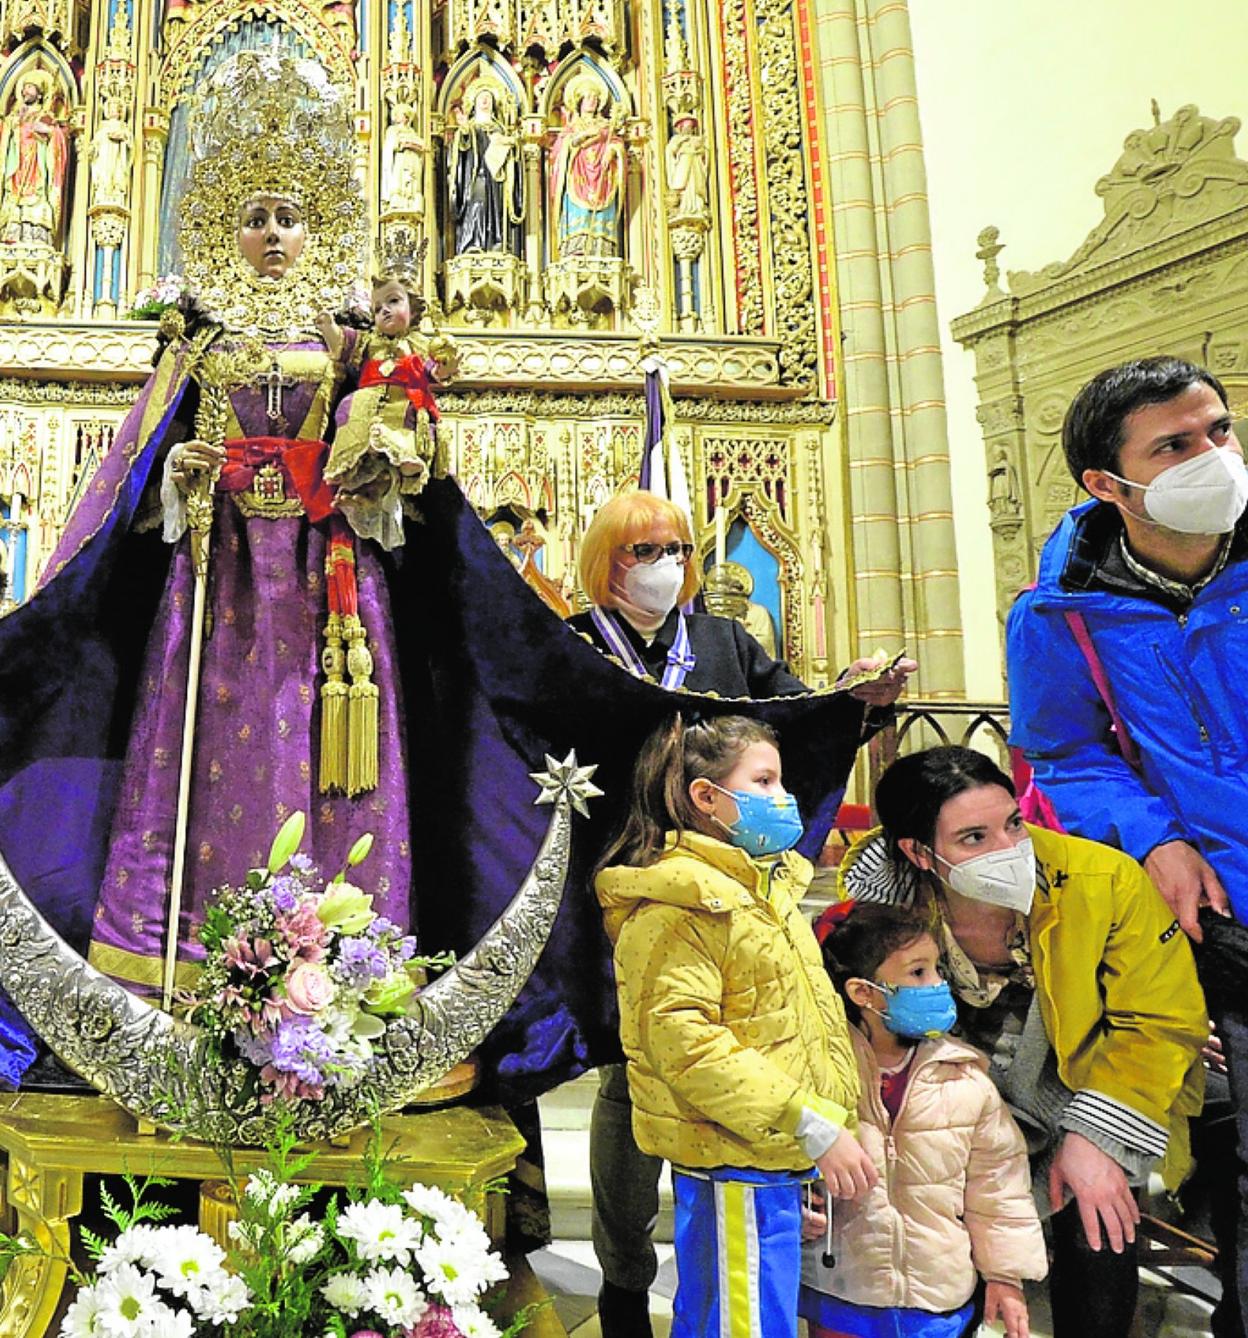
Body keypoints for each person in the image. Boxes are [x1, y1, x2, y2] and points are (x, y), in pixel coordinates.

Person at [567, 488, 916, 1336]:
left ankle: (758, 1203)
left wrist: (853, 700)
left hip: (730, 877)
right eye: (643, 551)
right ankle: (623, 1274)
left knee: (740, 1054)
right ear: (605, 561)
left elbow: (791, 722)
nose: (666, 566)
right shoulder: (574, 645)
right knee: (630, 1071)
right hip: (615, 882)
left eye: (677, 549)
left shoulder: (721, 638)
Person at [1006, 354, 1248, 1336]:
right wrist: (1154, 837)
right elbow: (1061, 750)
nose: (1214, 458)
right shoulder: (1059, 612)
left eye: (1220, 431)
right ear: (1111, 485)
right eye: (1177, 446)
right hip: (1207, 923)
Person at [839, 746, 1206, 1337]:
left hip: (1079, 1090)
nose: (1007, 851)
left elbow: (1160, 1020)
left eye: (1013, 823)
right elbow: (863, 1021)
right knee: (929, 1227)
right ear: (918, 852)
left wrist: (1097, 1138)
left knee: (1098, 1217)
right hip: (951, 1100)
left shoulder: (1101, 881)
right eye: (973, 839)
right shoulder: (885, 909)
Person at [595, 713, 875, 1338]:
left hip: (769, 1156)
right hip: (734, 1159)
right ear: (707, 797)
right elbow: (687, 1046)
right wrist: (808, 1121)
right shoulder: (679, 907)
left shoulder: (761, 891)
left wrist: (814, 1139)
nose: (784, 797)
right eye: (766, 781)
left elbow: (801, 1021)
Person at [801, 903, 1046, 1338]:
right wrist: (797, 1207)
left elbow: (999, 1189)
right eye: (917, 973)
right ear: (864, 993)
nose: (937, 984)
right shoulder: (818, 1077)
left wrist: (1005, 1276)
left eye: (937, 969)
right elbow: (787, 1164)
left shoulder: (965, 1079)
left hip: (938, 1304)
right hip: (842, 1298)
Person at [321, 265, 458, 550]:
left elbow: (436, 372)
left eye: (393, 302)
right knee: (347, 406)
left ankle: (404, 459)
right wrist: (328, 326)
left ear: (413, 307)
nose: (384, 311)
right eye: (377, 308)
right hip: (367, 400)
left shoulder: (418, 344)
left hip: (401, 400)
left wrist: (447, 365)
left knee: (405, 418)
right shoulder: (369, 342)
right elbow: (344, 344)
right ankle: (352, 473)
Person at [549, 75, 627, 260]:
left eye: (595, 97)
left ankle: (601, 246)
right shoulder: (572, 127)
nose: (592, 100)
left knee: (602, 213)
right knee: (578, 210)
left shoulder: (606, 126)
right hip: (578, 175)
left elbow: (618, 145)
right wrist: (577, 140)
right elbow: (559, 150)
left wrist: (613, 151)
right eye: (588, 97)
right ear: (579, 101)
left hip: (603, 176)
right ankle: (577, 246)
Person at [447, 78, 522, 255]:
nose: (485, 101)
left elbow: (513, 157)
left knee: (495, 208)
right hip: (475, 174)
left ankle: (495, 241)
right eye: (482, 97)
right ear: (474, 102)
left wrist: (510, 145)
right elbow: (461, 150)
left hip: (496, 178)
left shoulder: (500, 129)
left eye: (488, 97)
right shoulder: (470, 126)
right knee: (476, 204)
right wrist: (465, 132)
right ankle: (473, 241)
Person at [0, 74, 69, 245]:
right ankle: (13, 228)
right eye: (24, 87)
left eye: (30, 88)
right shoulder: (14, 116)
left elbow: (58, 139)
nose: (25, 91)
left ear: (39, 94)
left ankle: (35, 230)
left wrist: (48, 132)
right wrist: (13, 126)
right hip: (17, 160)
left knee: (38, 195)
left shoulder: (45, 115)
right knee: (14, 192)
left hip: (37, 161)